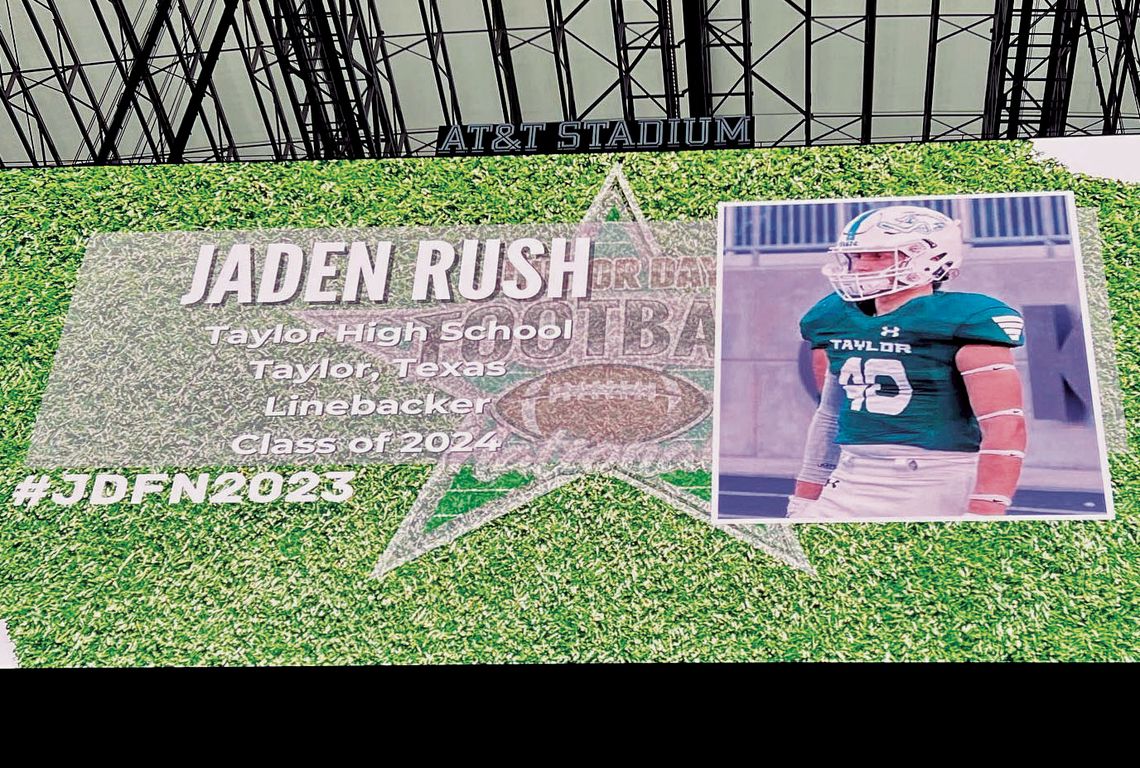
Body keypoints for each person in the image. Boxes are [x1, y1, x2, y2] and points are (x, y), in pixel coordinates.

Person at [787, 204, 1027, 520]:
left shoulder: (964, 318)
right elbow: (830, 415)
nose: (860, 267)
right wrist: (805, 495)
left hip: (935, 482)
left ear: (931, 257)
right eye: (857, 256)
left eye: (879, 255)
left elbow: (1005, 423)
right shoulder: (834, 316)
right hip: (849, 476)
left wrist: (987, 509)